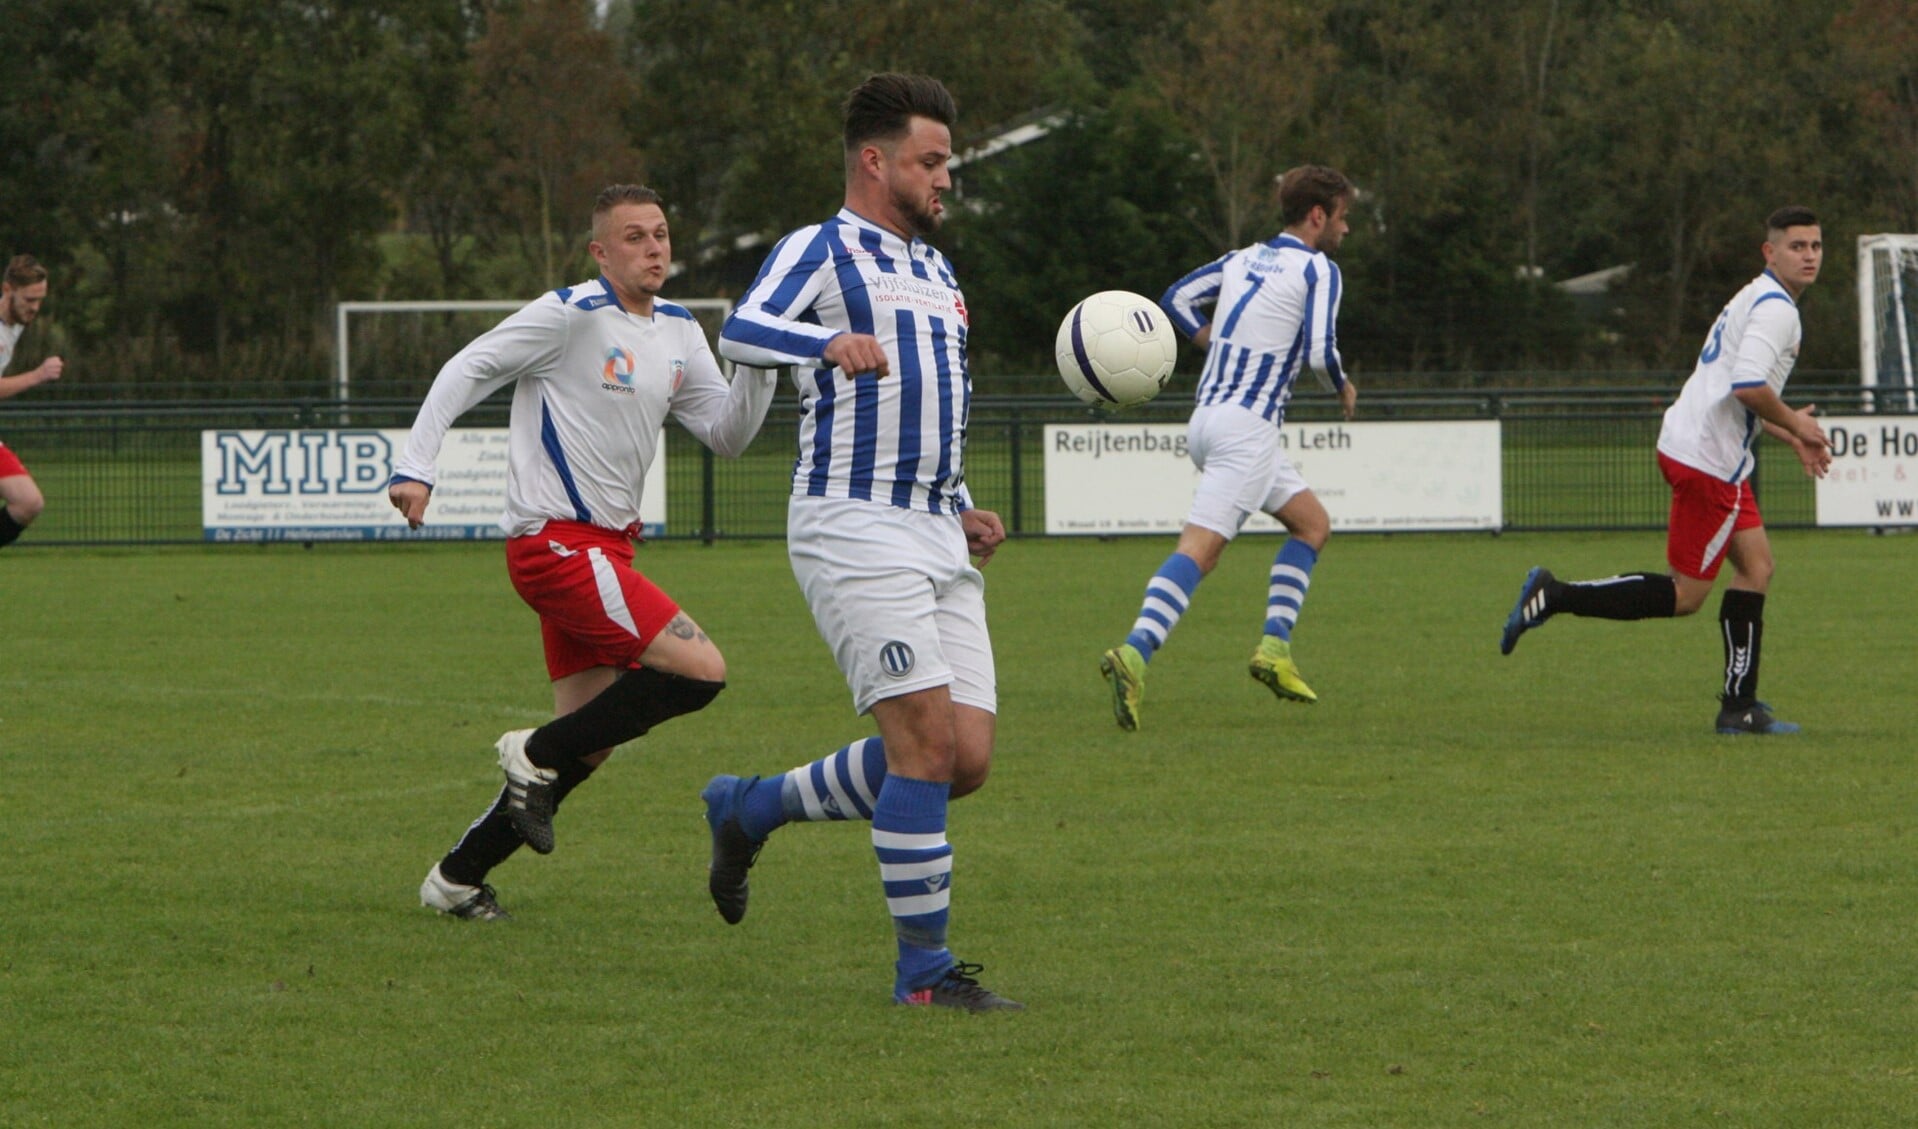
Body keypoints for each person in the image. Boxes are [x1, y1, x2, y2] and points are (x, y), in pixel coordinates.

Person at [697, 73, 1020, 1012]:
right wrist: (819, 346)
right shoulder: (823, 247)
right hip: (852, 522)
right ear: (876, 161)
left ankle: (748, 806)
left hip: (932, 526)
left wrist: (960, 501)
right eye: (931, 161)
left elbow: (934, 403)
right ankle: (924, 976)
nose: (945, 179)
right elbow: (743, 327)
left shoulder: (939, 271)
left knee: (964, 758)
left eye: (947, 163)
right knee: (922, 744)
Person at [389, 185, 779, 919]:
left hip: (607, 553)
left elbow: (729, 436)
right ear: (601, 252)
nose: (654, 247)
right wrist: (417, 464)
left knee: (588, 745)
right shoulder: (568, 315)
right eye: (634, 237)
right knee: (700, 670)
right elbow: (468, 366)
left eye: (661, 233)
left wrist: (760, 361)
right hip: (555, 544)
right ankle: (529, 748)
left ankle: (456, 879)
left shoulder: (679, 330)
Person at [1500, 206, 1831, 736]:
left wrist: (1792, 433)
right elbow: (1748, 385)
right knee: (1685, 596)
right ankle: (1555, 594)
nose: (1809, 255)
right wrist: (1798, 423)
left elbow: (1735, 388)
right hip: (1708, 461)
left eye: (1815, 246)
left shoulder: (1755, 297)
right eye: (1797, 246)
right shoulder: (1778, 311)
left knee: (1758, 567)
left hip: (1709, 452)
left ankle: (1739, 706)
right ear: (1770, 252)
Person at [1098, 166, 1360, 732]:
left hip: (1209, 418)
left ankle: (1275, 649)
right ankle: (1135, 651)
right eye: (1343, 216)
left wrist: (1217, 344)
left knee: (1312, 523)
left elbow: (1176, 299)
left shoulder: (1242, 259)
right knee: (1201, 550)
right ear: (1319, 215)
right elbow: (1319, 351)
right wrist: (1341, 385)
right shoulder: (1319, 269)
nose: (1346, 228)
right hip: (1249, 430)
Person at [0, 255, 64, 549]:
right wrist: (37, 375)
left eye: (40, 300)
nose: (35, 308)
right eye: (29, 299)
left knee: (28, 502)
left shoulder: (14, 322)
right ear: (7, 290)